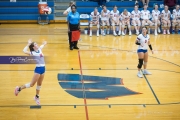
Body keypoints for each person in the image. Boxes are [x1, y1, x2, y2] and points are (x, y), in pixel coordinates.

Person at [14, 39, 47, 105]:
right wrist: (28, 44)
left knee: (39, 84)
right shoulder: (32, 53)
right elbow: (24, 51)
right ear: (33, 47)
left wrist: (44, 43)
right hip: (38, 69)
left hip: (43, 69)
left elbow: (42, 46)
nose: (37, 45)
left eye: (36, 44)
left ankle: (36, 97)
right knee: (32, 84)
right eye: (35, 44)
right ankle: (18, 89)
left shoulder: (39, 49)